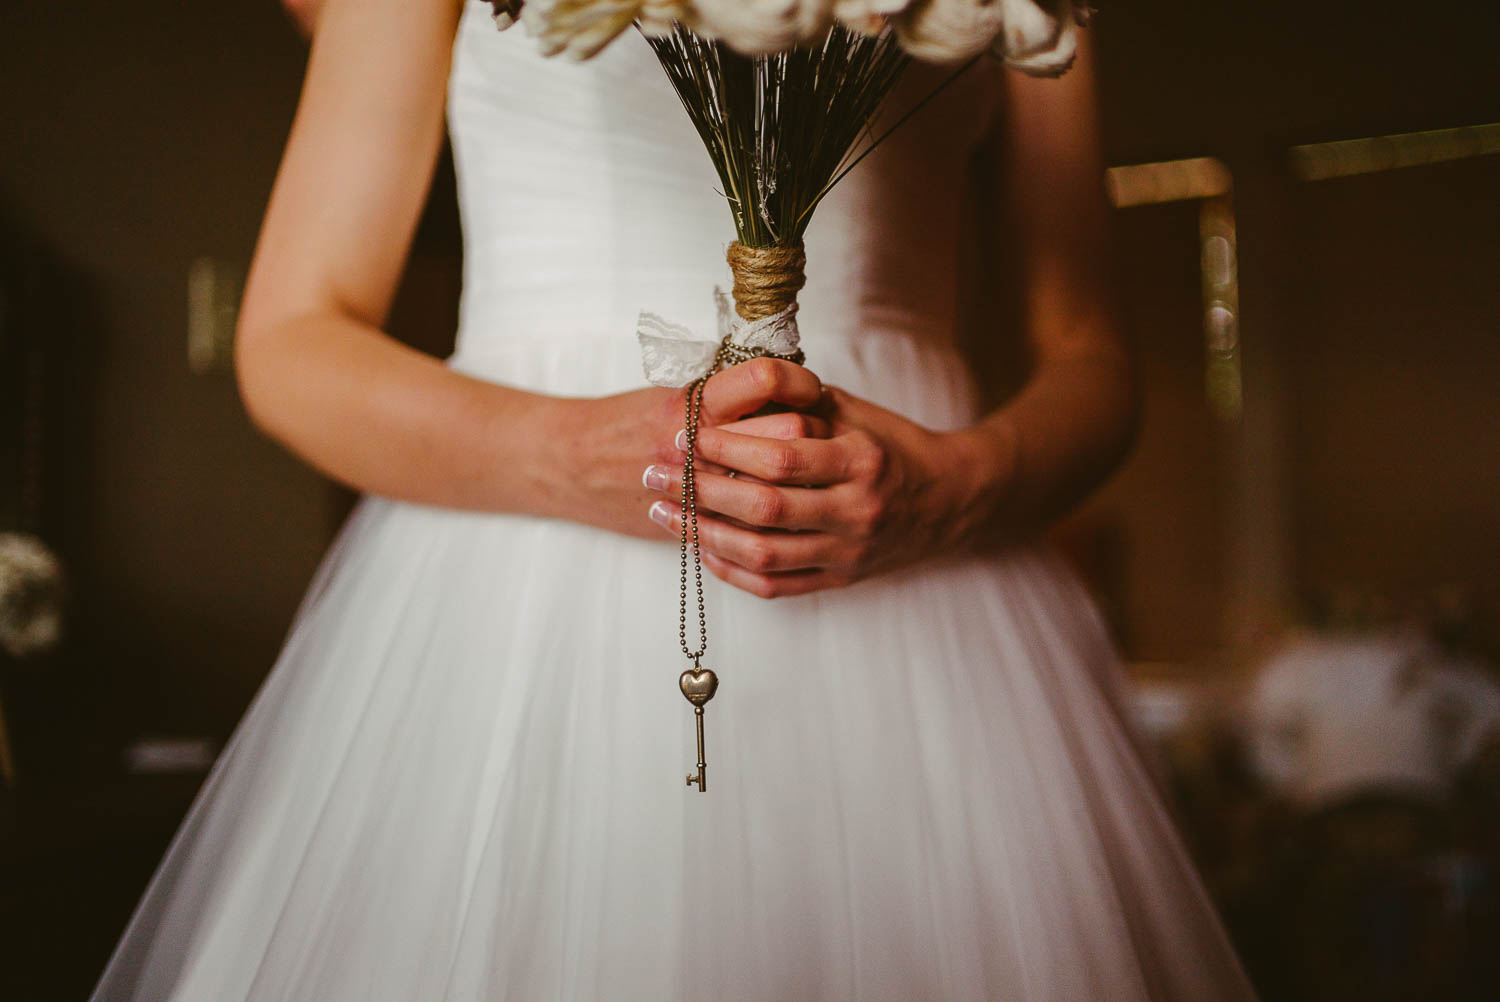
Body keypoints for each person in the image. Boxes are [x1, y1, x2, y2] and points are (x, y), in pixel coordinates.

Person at [92, 1, 1259, 998]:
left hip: (932, 586)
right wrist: (565, 451)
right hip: (516, 601)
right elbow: (293, 339)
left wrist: (959, 490)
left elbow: (1094, 358)